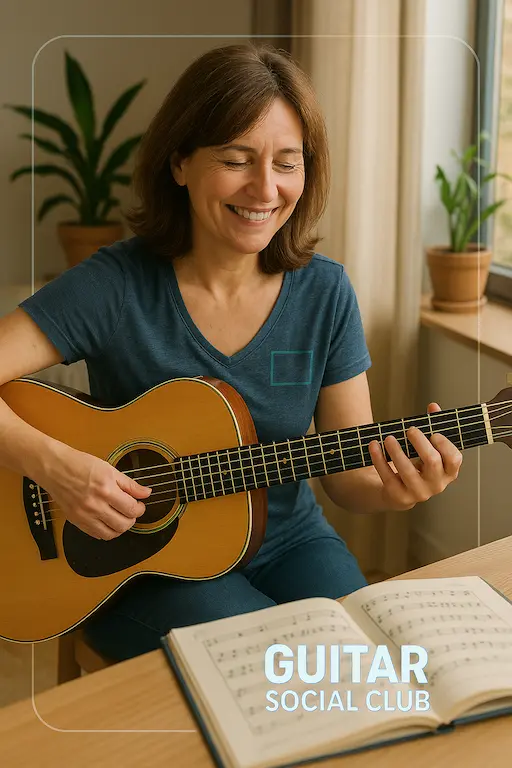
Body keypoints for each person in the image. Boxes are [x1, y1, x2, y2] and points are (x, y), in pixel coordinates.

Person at [0, 44, 463, 661]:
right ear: (181, 164)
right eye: (236, 160)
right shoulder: (115, 285)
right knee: (282, 663)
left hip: (291, 541)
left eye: (287, 163)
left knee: (370, 660)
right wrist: (54, 465)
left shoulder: (325, 292)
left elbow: (348, 479)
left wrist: (400, 489)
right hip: (138, 564)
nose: (265, 188)